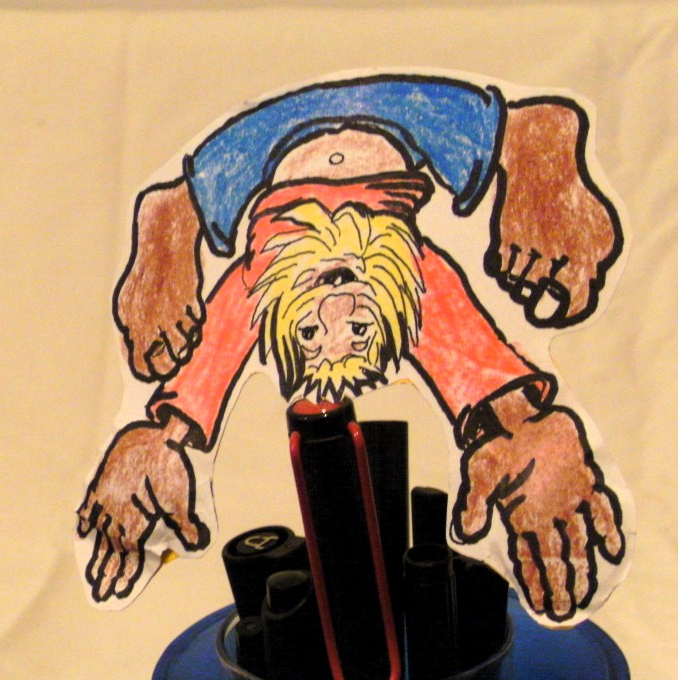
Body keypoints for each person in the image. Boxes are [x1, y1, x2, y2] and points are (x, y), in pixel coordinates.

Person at [78, 74, 626, 624]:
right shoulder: (420, 270)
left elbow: (189, 388)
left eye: (309, 333)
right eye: (362, 327)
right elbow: (538, 124)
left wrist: (163, 235)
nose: (337, 306)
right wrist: (544, 162)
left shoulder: (251, 272)